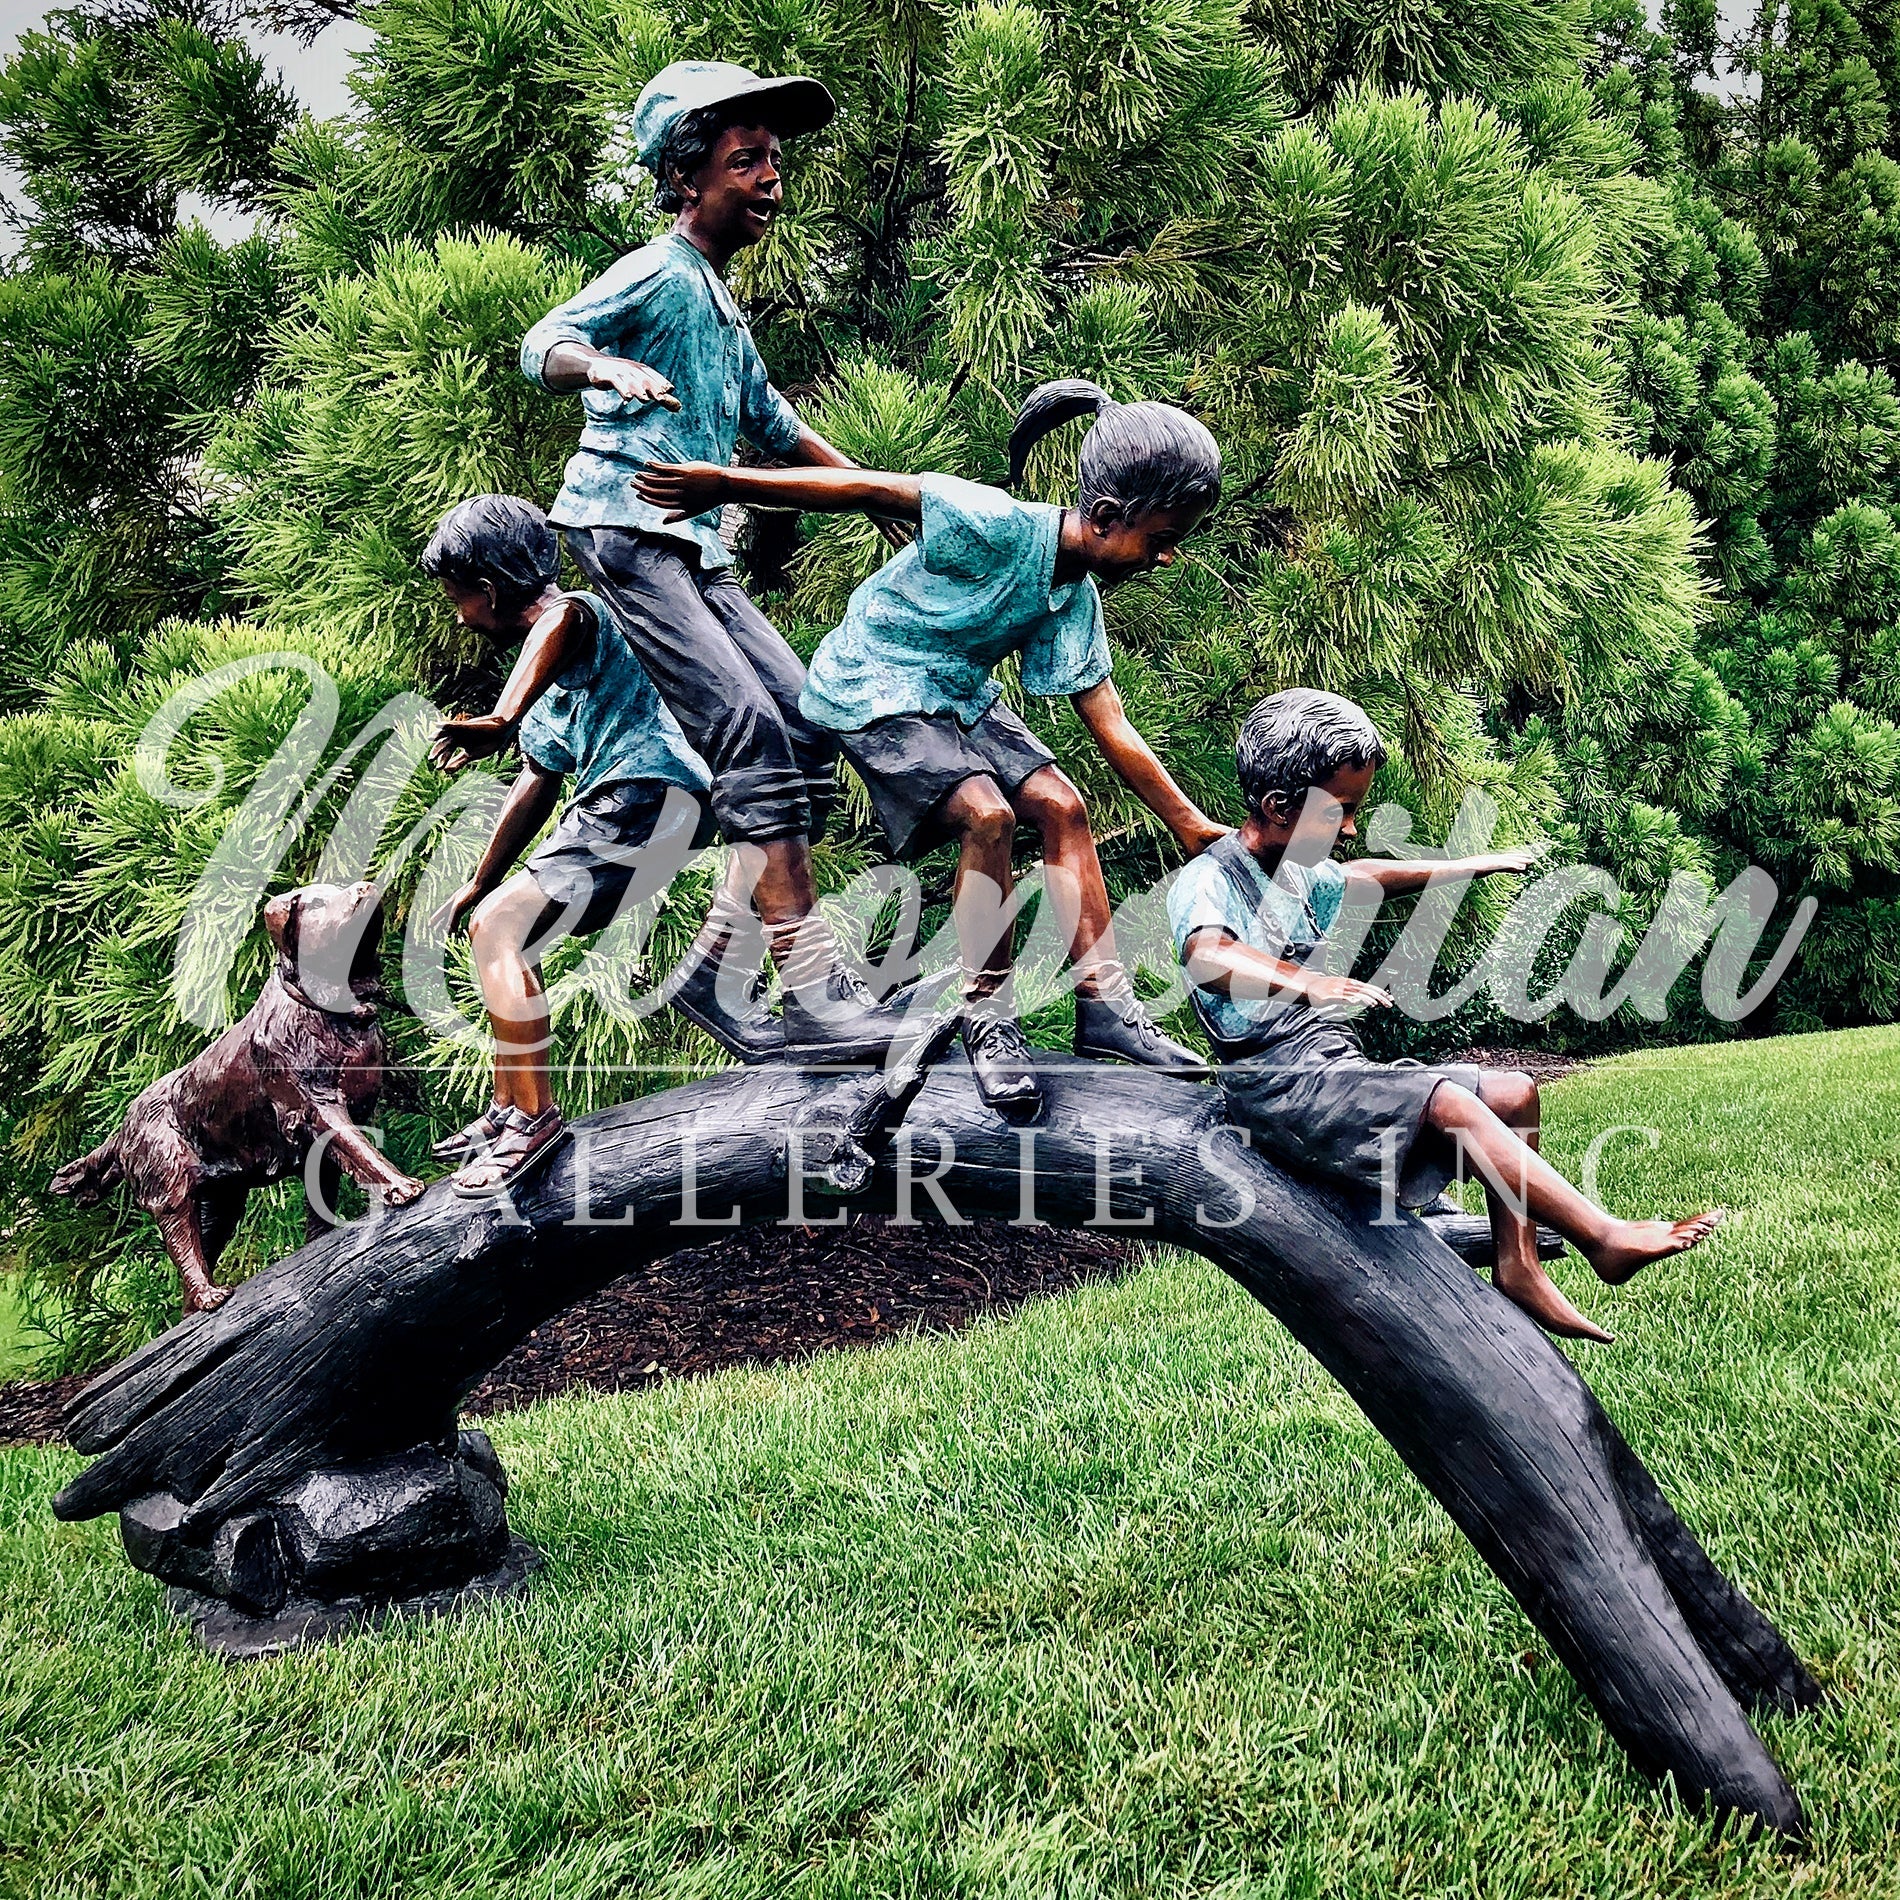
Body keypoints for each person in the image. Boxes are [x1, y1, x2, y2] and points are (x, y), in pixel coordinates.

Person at [636, 379, 1229, 1117]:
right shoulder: (995, 522)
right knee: (988, 816)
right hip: (874, 677)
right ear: (1108, 517)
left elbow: (1112, 724)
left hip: (952, 690)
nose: (1166, 558)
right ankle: (989, 1014)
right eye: (1163, 540)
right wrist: (727, 481)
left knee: (1061, 804)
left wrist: (1190, 826)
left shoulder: (1073, 597)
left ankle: (1105, 1008)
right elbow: (867, 490)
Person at [519, 59, 909, 1062]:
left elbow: (769, 421)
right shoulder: (657, 270)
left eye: (774, 159)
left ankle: (713, 968)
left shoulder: (719, 301)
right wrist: (602, 363)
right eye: (748, 161)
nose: (772, 178)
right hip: (630, 530)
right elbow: (544, 342)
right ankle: (814, 988)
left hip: (693, 547)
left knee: (807, 724)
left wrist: (879, 491)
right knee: (743, 729)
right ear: (687, 179)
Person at [1168, 687, 1724, 1342]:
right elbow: (1209, 955)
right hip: (1277, 1091)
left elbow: (1369, 876)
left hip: (1331, 1073)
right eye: (1340, 813)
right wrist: (1308, 983)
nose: (1348, 830)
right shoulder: (1211, 880)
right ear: (1278, 808)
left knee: (1516, 1093)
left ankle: (1519, 1267)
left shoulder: (1297, 872)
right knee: (1450, 1103)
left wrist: (1468, 866)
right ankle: (1603, 1236)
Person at [423, 495, 780, 1197]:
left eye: (457, 598)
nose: (459, 615)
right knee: (494, 924)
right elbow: (536, 778)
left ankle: (532, 1116)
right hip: (629, 810)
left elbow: (563, 616)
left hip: (643, 798)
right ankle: (506, 1107)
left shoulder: (580, 615)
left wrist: (502, 714)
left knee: (500, 931)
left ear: (490, 591)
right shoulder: (549, 680)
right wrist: (478, 880)